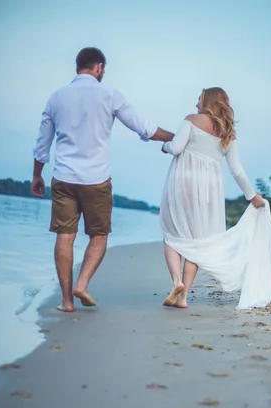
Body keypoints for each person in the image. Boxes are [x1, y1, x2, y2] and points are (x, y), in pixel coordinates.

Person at [32, 47, 173, 312]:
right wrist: (176, 137)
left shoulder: (56, 97)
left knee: (65, 236)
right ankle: (82, 284)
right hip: (96, 179)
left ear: (78, 67)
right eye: (103, 70)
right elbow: (144, 128)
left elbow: (42, 144)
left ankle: (66, 302)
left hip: (63, 177)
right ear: (98, 67)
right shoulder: (110, 94)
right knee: (99, 235)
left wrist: (37, 175)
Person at [160, 87, 271, 310]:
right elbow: (237, 170)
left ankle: (176, 282)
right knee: (197, 241)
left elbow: (176, 148)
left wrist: (165, 146)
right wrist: (251, 196)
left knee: (171, 233)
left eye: (199, 98)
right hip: (209, 191)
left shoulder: (191, 120)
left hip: (182, 183)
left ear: (208, 100)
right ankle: (183, 296)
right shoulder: (228, 132)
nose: (196, 103)